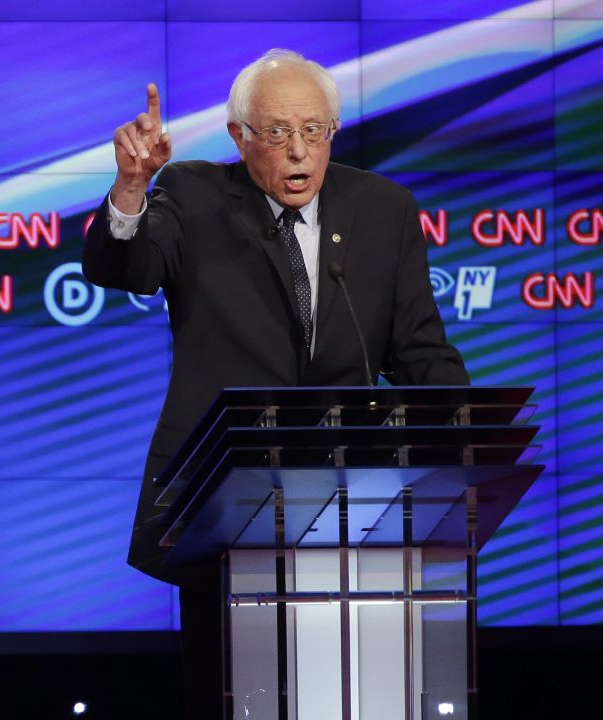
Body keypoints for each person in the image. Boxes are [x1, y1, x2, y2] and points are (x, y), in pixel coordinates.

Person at [82, 49, 469, 716]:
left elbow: (419, 351)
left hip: (357, 510)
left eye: (314, 131)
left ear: (333, 133)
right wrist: (130, 193)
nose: (299, 153)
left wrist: (464, 437)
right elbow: (128, 269)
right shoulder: (193, 195)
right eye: (279, 133)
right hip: (226, 508)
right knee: (237, 699)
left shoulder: (383, 209)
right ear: (240, 137)